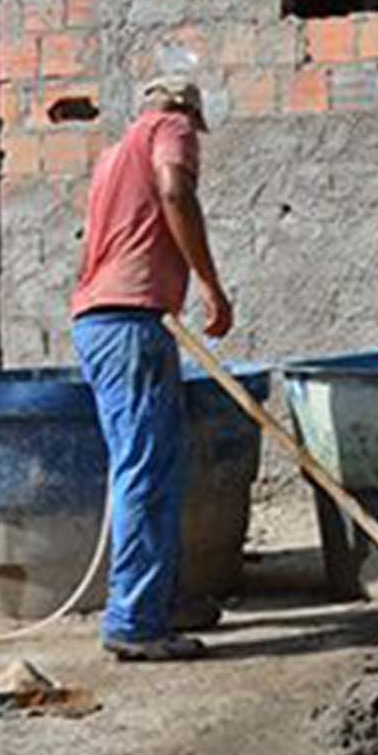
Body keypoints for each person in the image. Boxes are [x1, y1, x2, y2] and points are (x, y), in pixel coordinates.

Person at [70, 76, 235, 662]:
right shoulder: (172, 127)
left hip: (100, 321)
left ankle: (161, 599)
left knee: (150, 466)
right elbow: (174, 191)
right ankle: (136, 622)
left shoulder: (113, 156)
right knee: (146, 471)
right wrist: (210, 285)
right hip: (131, 324)